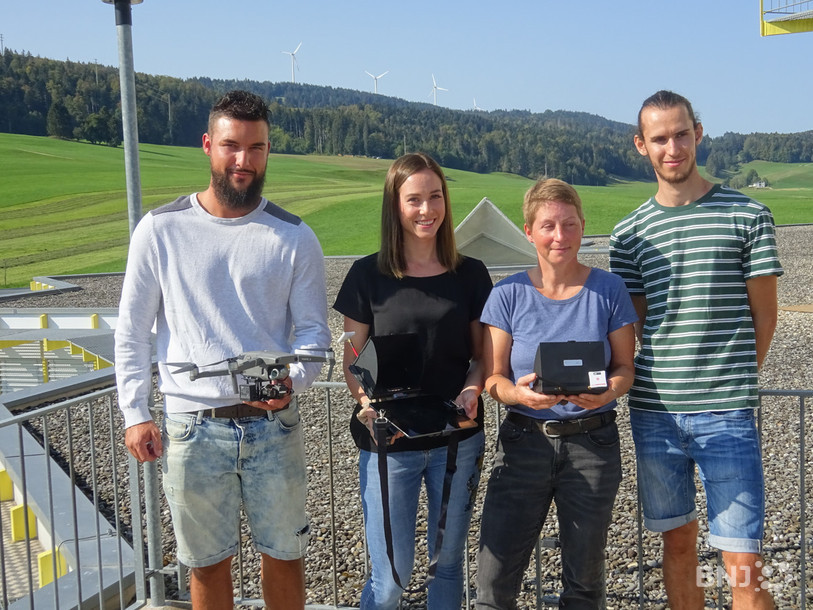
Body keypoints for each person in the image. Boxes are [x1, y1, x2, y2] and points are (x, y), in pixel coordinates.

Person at [114, 90, 330, 610]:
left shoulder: (294, 237)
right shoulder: (160, 230)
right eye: (232, 146)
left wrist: (290, 385)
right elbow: (131, 330)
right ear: (208, 145)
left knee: (284, 555)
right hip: (192, 427)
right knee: (206, 562)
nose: (243, 160)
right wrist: (134, 412)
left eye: (256, 148)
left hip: (273, 426)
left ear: (268, 151)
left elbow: (315, 342)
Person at [609, 90, 783, 609]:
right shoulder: (629, 234)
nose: (673, 148)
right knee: (678, 547)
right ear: (641, 145)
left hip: (726, 412)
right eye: (659, 138)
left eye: (681, 134)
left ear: (699, 134)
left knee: (743, 563)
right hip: (655, 414)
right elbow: (638, 326)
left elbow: (764, 319)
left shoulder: (748, 216)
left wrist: (729, 383)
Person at [333, 152, 492, 609]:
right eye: (414, 199)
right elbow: (351, 361)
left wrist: (472, 388)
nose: (428, 210)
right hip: (390, 445)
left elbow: (481, 358)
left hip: (456, 441)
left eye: (435, 196)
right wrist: (365, 401)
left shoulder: (472, 275)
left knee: (447, 569)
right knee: (391, 578)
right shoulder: (366, 276)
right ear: (395, 206)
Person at [475, 178, 637, 609]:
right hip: (523, 443)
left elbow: (624, 369)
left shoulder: (609, 290)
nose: (559, 236)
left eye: (569, 224)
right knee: (493, 585)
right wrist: (516, 395)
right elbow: (494, 377)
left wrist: (607, 394)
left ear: (583, 227)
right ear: (528, 231)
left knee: (584, 585)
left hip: (593, 443)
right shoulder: (506, 294)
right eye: (548, 225)